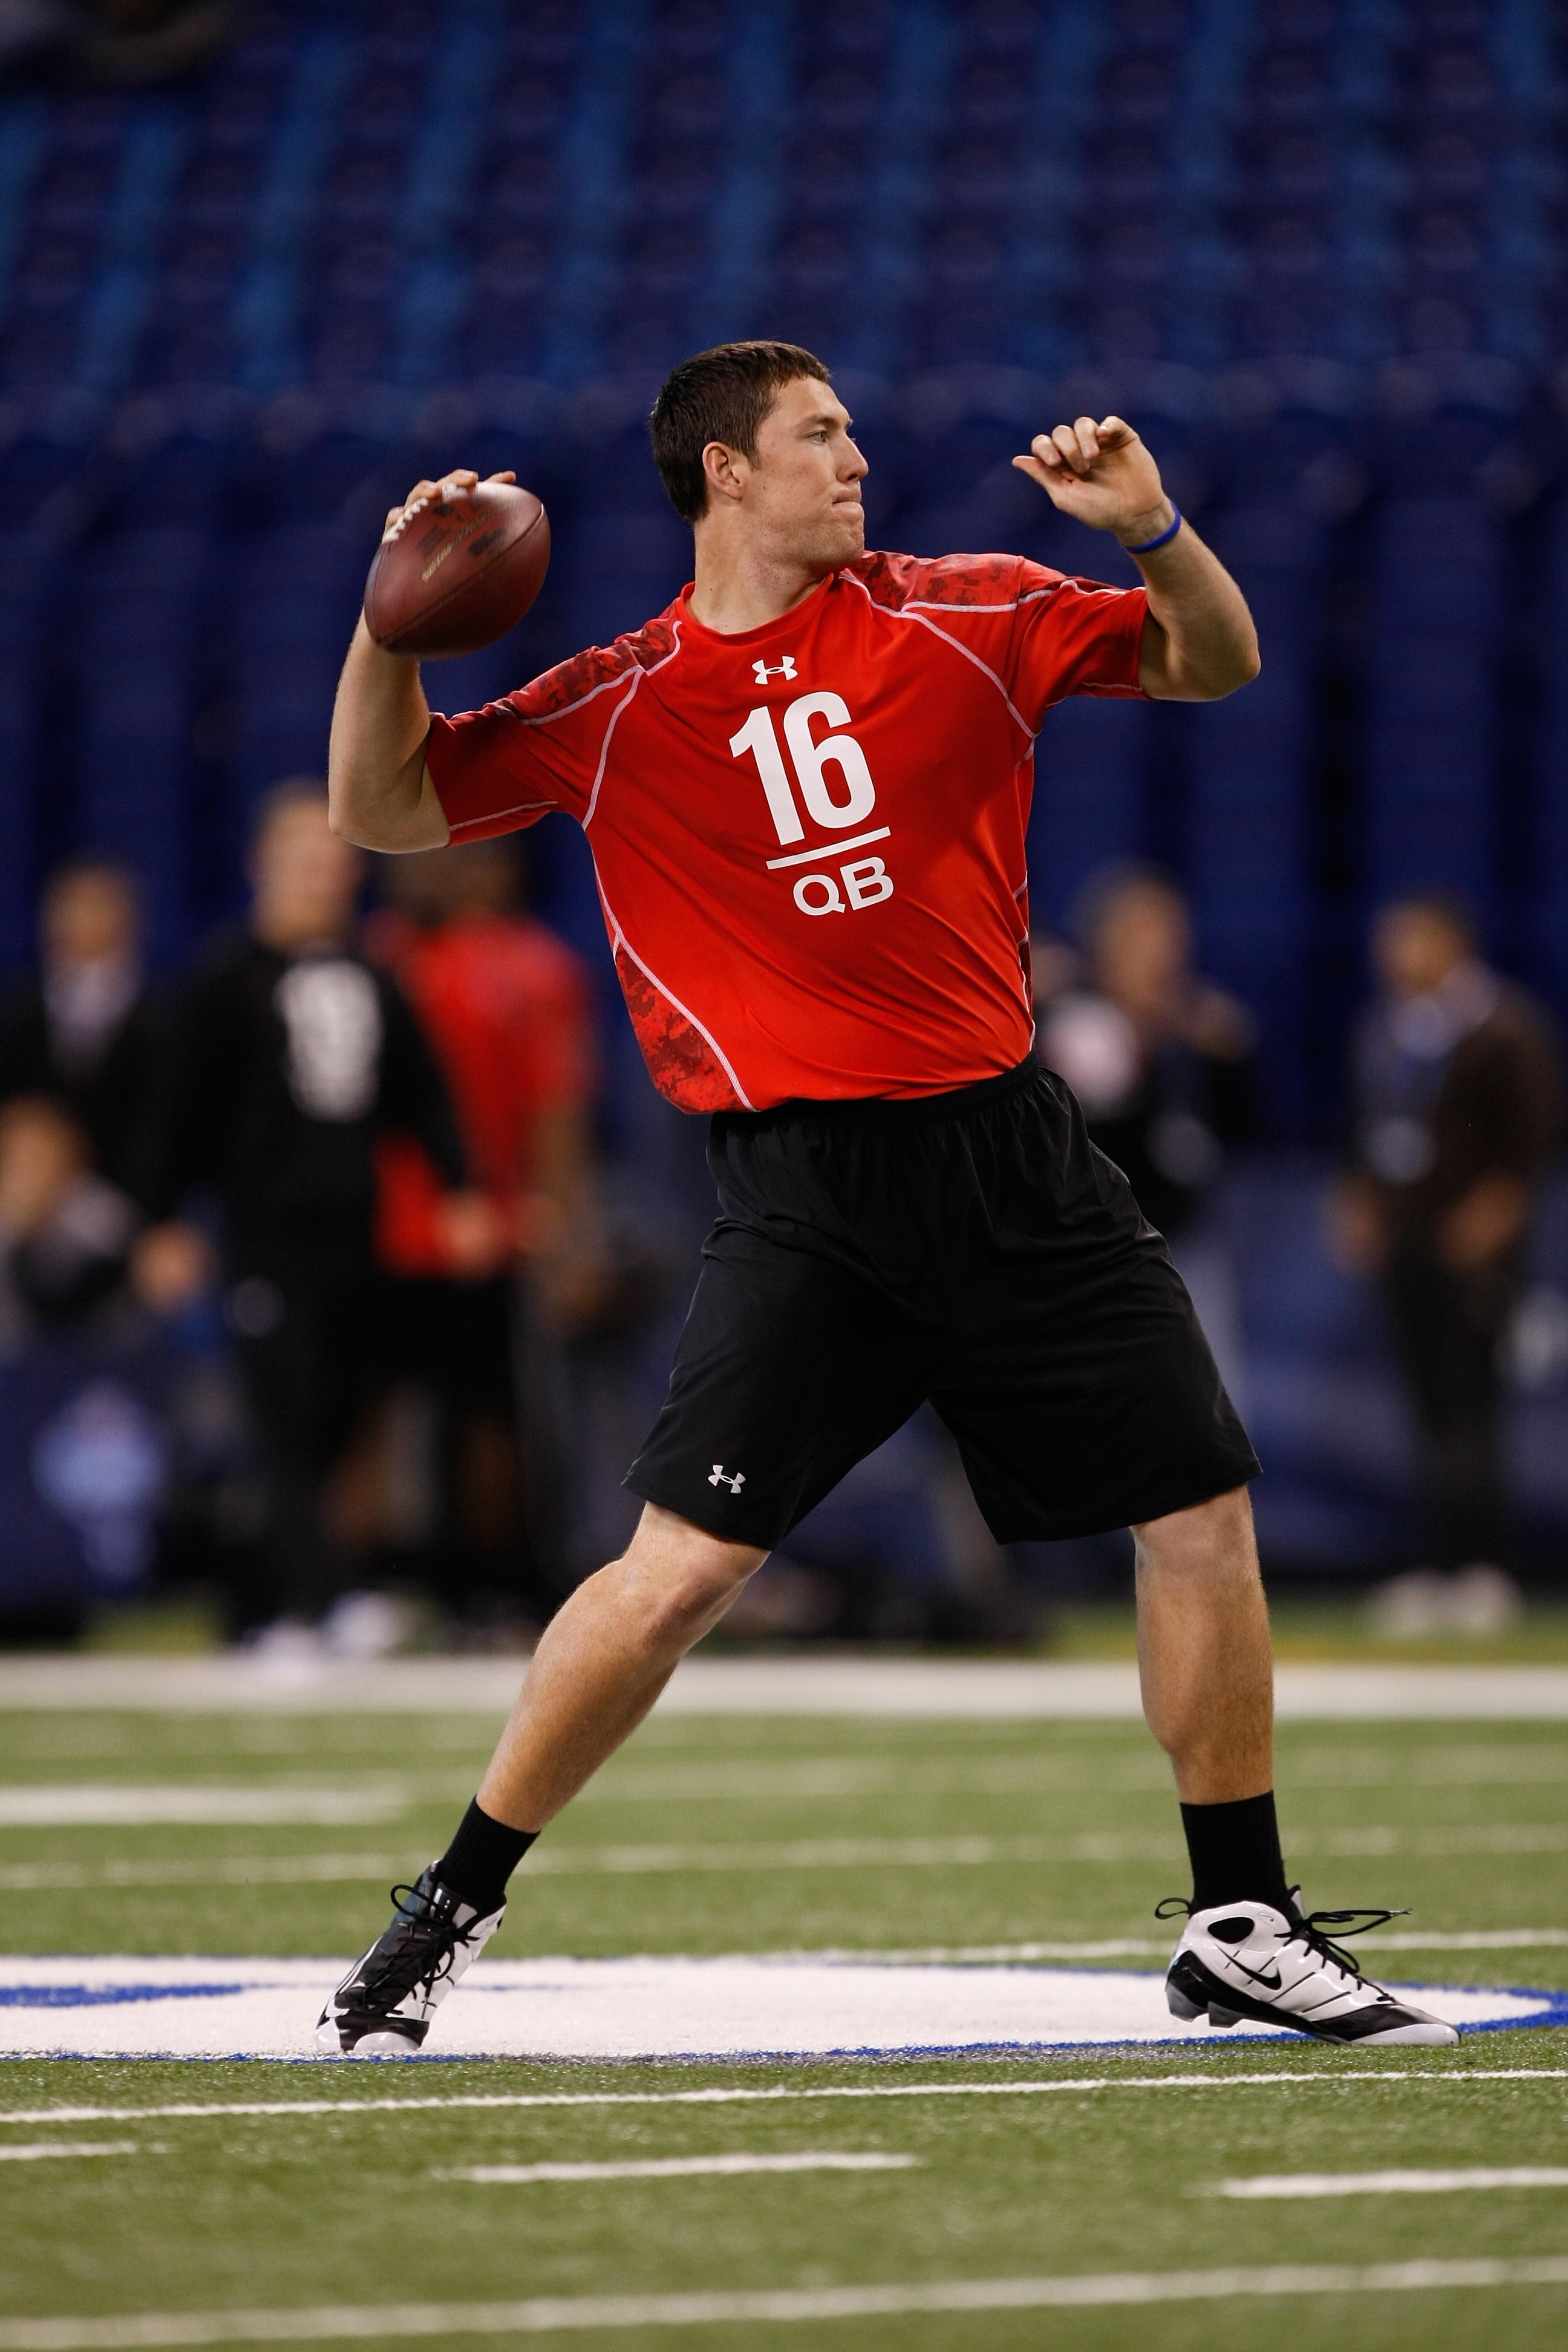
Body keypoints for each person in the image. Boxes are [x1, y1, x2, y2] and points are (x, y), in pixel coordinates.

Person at [318, 340, 1457, 2055]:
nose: (859, 461)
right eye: (821, 437)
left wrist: (1155, 530)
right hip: (808, 1189)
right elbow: (380, 805)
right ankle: (449, 1905)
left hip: (1010, 1147)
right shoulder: (622, 699)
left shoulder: (964, 611)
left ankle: (1241, 1917)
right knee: (678, 1575)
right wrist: (383, 626)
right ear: (726, 472)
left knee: (1202, 1511)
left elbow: (1216, 659)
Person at [135, 781, 494, 1642]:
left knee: (340, 1405)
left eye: (330, 859)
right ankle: (320, 1600)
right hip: (265, 1234)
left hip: (355, 1228)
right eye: (300, 858)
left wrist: (460, 1190)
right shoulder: (225, 980)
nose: (318, 875)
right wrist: (162, 1218)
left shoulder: (375, 974)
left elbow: (421, 1092)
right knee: (281, 1409)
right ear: (264, 867)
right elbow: (179, 1110)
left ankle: (262, 1605)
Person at [365, 839, 606, 1610]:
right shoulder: (377, 955)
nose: (418, 874)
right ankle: (371, 1580)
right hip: (379, 1227)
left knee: (494, 1416)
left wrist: (567, 1231)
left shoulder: (532, 969)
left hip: (490, 1230)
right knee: (371, 1411)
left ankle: (491, 1580)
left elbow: (556, 1112)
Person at [1334, 892, 1564, 1582]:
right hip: (1408, 1246)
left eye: (1409, 942)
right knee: (1425, 1406)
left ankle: (1483, 1563)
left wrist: (1501, 1210)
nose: (1393, 958)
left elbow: (1534, 1138)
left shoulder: (1504, 1028)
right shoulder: (1387, 1029)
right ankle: (1435, 1562)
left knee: (1472, 1406)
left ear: (1451, 946)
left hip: (1474, 1252)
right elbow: (1367, 1131)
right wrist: (1361, 1201)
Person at [1037, 864, 1257, 1406]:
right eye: (1146, 937)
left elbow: (1240, 1131)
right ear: (1106, 944)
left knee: (1215, 1415)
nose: (1164, 953)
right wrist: (1146, 1035)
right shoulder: (1078, 1024)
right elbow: (1101, 1136)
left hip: (1186, 1243)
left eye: (1173, 936)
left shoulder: (1196, 1028)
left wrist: (1232, 1059)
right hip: (1094, 1256)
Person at [0, 861, 163, 1195]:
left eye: (99, 906)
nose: (84, 920)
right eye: (71, 907)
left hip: (127, 1193)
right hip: (30, 1191)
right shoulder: (20, 1016)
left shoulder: (162, 1020)